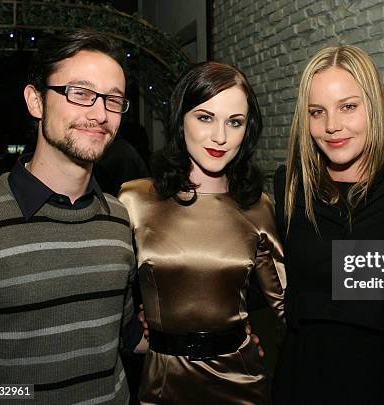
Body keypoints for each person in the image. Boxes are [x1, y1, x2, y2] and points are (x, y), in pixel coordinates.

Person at [271, 45, 384, 404]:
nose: (332, 125)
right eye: (317, 112)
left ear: (375, 105)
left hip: (381, 382)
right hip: (300, 378)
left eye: (348, 106)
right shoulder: (289, 184)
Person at [0, 31, 139, 403]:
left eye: (113, 99)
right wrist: (23, 395)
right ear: (36, 101)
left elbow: (124, 336)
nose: (100, 113)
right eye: (80, 93)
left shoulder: (119, 219)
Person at [118, 61, 286, 404]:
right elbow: (105, 290)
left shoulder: (258, 206)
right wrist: (130, 330)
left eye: (234, 122)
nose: (220, 137)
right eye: (205, 117)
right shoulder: (135, 199)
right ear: (181, 119)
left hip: (242, 381)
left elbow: (288, 303)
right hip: (163, 383)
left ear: (248, 130)